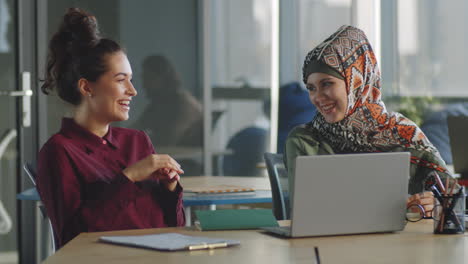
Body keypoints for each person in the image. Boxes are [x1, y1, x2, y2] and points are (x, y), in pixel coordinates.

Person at [37, 8, 185, 248]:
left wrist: (170, 188)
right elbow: (74, 237)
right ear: (86, 88)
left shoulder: (138, 141)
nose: (133, 90)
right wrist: (129, 177)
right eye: (120, 80)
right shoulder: (58, 152)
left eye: (131, 79)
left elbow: (173, 228)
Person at [284, 25, 452, 215]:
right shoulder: (304, 141)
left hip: (403, 242)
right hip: (330, 244)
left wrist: (435, 203)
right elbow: (306, 214)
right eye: (311, 88)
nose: (318, 97)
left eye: (327, 84)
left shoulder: (402, 133)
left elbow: (451, 195)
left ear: (357, 82)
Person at [131, 55, 203, 174]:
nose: (144, 84)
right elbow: (136, 129)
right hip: (166, 163)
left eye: (148, 78)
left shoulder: (183, 104)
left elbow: (168, 140)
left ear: (162, 78)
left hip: (184, 167)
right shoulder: (158, 103)